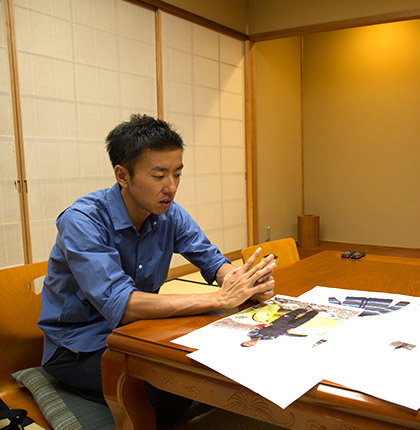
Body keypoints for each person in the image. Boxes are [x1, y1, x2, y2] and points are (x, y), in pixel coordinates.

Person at [38, 114, 276, 426]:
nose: (171, 187)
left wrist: (244, 283)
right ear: (123, 175)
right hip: (78, 347)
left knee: (220, 360)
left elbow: (211, 260)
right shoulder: (83, 221)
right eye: (159, 175)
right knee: (173, 388)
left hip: (139, 332)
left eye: (177, 174)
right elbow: (123, 305)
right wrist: (220, 298)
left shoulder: (169, 214)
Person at [241, 308, 319, 347]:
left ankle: (304, 309)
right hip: (285, 328)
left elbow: (257, 328)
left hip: (276, 324)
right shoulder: (268, 339)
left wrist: (265, 325)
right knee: (303, 320)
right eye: (250, 344)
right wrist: (287, 331)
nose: (250, 343)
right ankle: (315, 311)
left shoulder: (251, 334)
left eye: (247, 342)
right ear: (253, 344)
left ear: (246, 341)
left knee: (290, 315)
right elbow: (278, 335)